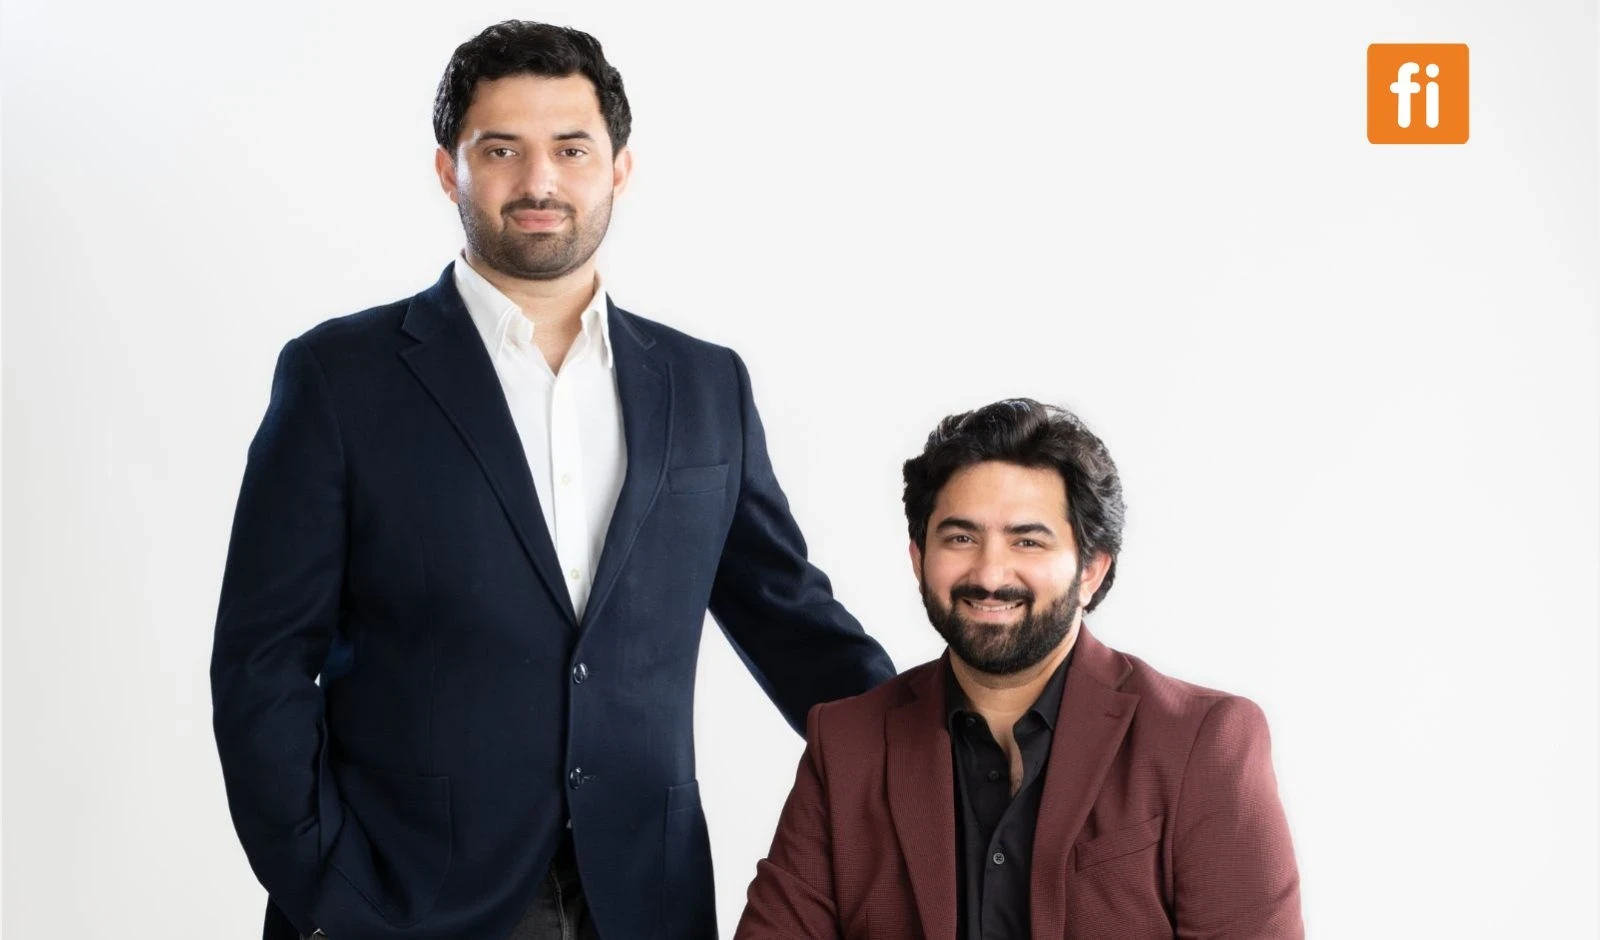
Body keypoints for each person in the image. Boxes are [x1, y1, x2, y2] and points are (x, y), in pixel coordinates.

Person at [210, 20, 895, 940]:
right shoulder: (340, 378)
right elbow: (260, 665)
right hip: (406, 899)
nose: (540, 181)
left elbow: (790, 620)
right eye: (502, 150)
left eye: (572, 149)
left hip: (643, 899)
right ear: (449, 170)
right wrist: (329, 889)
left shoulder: (704, 385)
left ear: (619, 168)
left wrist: (946, 737)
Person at [736, 398, 1303, 938]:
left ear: (1091, 569)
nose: (989, 573)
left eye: (1028, 542)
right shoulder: (845, 744)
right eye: (961, 537)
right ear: (918, 557)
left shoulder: (1203, 742)